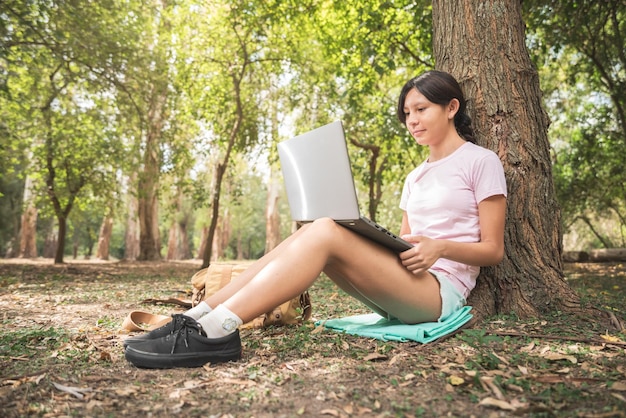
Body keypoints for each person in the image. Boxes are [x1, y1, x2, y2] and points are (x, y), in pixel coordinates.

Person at [124, 70, 508, 369]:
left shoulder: (480, 162)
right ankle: (196, 317)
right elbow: (407, 241)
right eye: (407, 113)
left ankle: (215, 330)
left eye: (421, 109)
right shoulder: (415, 176)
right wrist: (379, 240)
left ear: (451, 108)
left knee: (324, 229)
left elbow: (493, 250)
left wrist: (440, 247)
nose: (412, 120)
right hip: (406, 282)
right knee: (318, 226)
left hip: (441, 294)